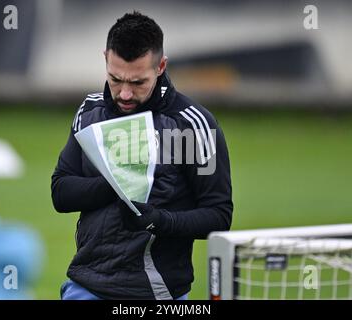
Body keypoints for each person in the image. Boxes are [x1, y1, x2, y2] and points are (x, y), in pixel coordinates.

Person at [51, 11, 233, 300]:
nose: (124, 93)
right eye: (115, 79)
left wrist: (158, 221)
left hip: (156, 294)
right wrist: (115, 184)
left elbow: (219, 216)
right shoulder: (90, 111)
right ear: (105, 59)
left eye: (137, 83)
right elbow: (60, 193)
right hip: (84, 287)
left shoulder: (193, 125)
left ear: (161, 66)